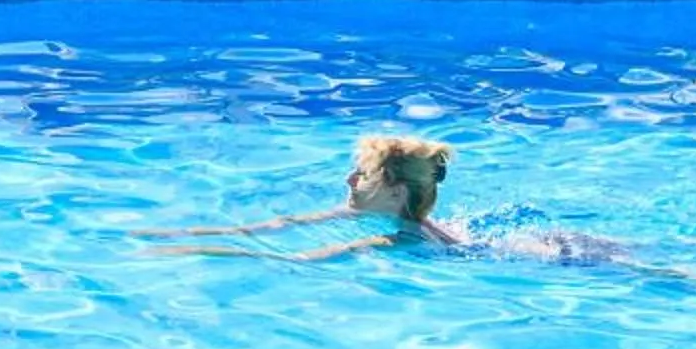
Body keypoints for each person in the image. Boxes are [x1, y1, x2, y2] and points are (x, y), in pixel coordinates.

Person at [144, 136, 459, 260]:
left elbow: (295, 260)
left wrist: (191, 251)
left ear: (395, 192)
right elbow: (287, 222)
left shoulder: (396, 240)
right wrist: (178, 233)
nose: (349, 180)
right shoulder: (383, 209)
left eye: (362, 175)